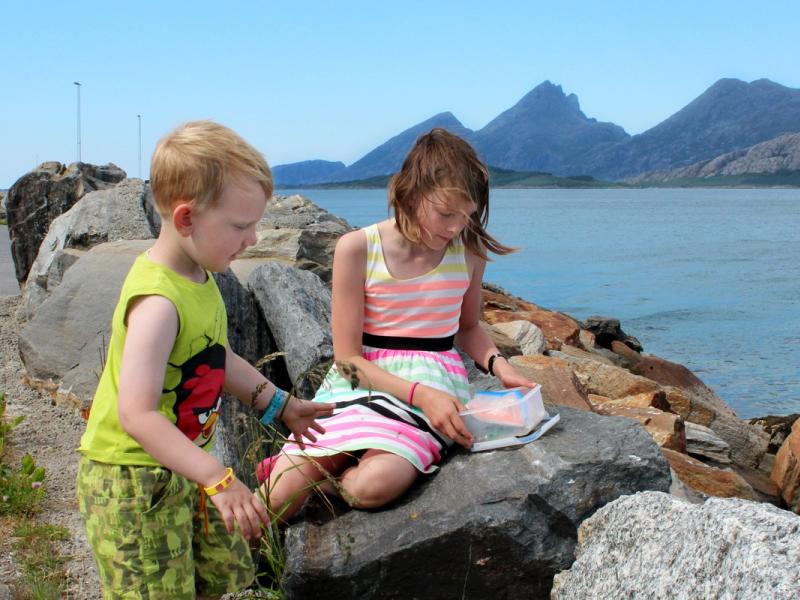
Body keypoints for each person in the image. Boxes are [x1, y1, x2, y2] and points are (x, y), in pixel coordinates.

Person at [76, 120, 333, 599]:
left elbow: (217, 358)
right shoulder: (157, 304)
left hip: (188, 466)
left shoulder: (198, 274)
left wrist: (280, 405)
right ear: (186, 218)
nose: (253, 238)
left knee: (213, 578)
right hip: (135, 483)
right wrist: (218, 478)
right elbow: (136, 414)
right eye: (240, 226)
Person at [258, 128, 535, 521]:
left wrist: (500, 367)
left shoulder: (468, 252)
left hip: (436, 383)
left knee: (372, 487)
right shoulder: (358, 248)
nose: (456, 227)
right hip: (360, 382)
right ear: (410, 191)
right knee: (274, 497)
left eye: (467, 216)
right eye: (446, 213)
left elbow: (468, 327)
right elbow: (348, 361)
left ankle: (327, 483)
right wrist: (419, 395)